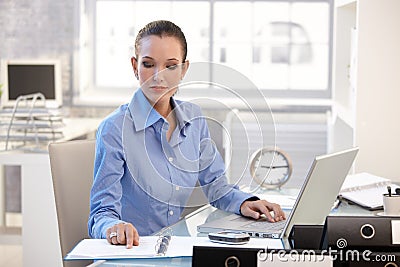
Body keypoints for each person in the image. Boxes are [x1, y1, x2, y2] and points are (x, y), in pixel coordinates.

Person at [88, 20, 285, 248]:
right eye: (148, 64)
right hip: (132, 254)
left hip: (176, 249)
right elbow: (100, 214)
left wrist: (247, 203)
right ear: (135, 66)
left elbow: (215, 185)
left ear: (184, 69)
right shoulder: (114, 129)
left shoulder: (195, 119)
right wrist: (113, 227)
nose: (158, 76)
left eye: (170, 66)